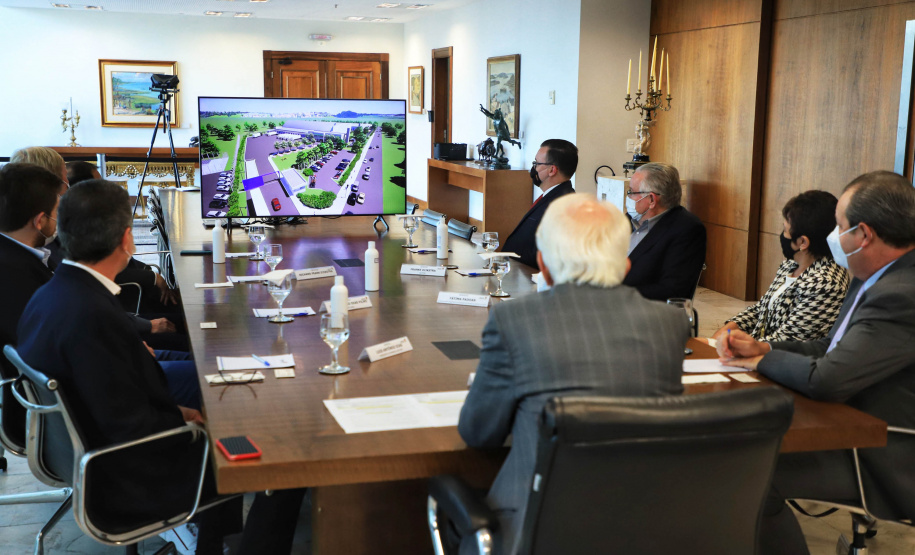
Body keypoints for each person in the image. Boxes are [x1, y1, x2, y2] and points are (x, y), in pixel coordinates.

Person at [16, 179, 305, 554]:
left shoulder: (50, 295)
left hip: (90, 458)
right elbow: (131, 423)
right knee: (287, 454)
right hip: (130, 477)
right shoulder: (95, 316)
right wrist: (190, 423)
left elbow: (119, 401)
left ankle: (215, 542)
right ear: (127, 240)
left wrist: (181, 412)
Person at [459, 193, 690, 554]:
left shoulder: (512, 320)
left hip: (535, 531)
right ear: (625, 266)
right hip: (646, 525)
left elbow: (480, 433)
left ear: (543, 265)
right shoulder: (671, 323)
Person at [717, 171, 915, 554]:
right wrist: (763, 347)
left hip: (887, 452)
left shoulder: (901, 295)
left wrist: (759, 361)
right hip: (854, 423)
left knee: (748, 472)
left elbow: (827, 379)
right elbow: (830, 346)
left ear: (864, 234)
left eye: (839, 227)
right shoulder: (874, 276)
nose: (833, 237)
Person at [0, 163, 199, 409]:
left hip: (98, 378)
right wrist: (181, 416)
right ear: (126, 240)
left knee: (200, 361)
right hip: (109, 394)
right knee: (212, 377)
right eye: (56, 209)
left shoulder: (49, 279)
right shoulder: (28, 277)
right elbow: (118, 405)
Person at [713, 191, 849, 342]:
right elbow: (762, 310)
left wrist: (733, 346)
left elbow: (786, 341)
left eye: (785, 230)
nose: (782, 235)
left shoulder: (826, 285)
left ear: (803, 242)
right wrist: (727, 330)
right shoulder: (791, 264)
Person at [622, 162, 707, 301]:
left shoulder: (687, 230)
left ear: (651, 199)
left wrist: (616, 293)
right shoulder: (628, 220)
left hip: (643, 309)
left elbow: (673, 290)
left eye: (632, 192)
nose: (629, 197)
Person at [501, 139, 576, 267]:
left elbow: (547, 254)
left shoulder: (561, 206)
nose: (533, 168)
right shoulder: (552, 196)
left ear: (552, 170)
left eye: (536, 163)